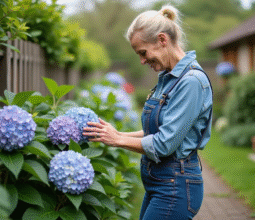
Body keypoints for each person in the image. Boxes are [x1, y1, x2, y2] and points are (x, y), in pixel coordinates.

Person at [83, 4, 213, 220]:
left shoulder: (191, 83)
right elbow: (159, 131)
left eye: (143, 53)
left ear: (162, 40)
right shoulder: (168, 79)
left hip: (175, 188)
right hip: (162, 184)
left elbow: (164, 144)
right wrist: (116, 134)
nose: (142, 61)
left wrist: (117, 140)